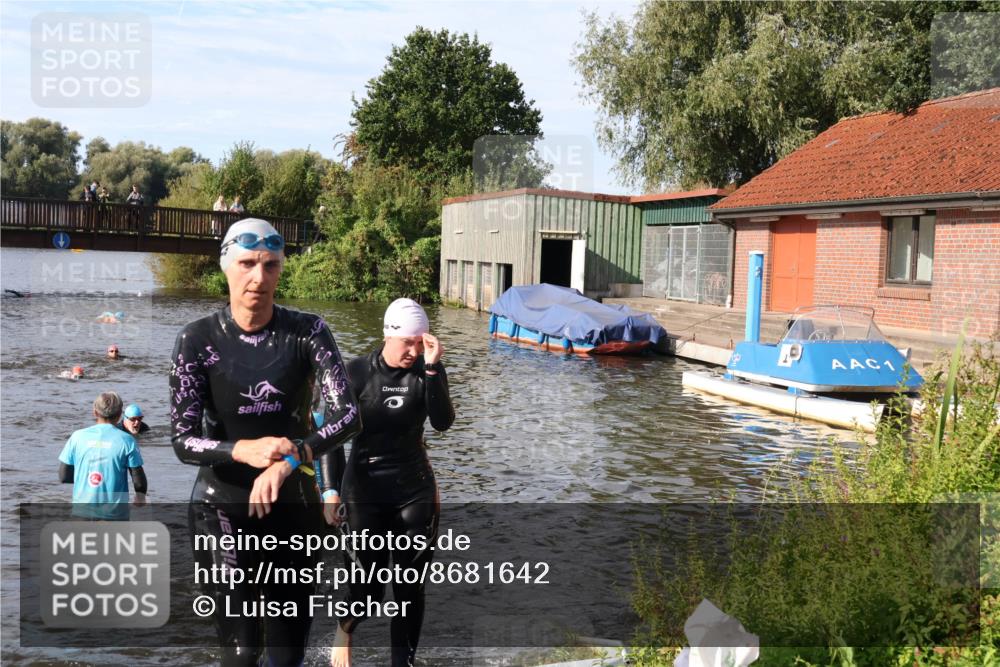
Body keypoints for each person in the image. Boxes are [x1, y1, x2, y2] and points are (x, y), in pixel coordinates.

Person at [169, 217, 361, 667]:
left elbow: (347, 416)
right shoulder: (196, 340)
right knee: (241, 652)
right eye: (248, 263)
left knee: (287, 653)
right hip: (221, 511)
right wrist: (242, 450)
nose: (259, 277)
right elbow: (182, 440)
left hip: (293, 510)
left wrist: (292, 457)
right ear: (226, 267)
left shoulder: (307, 332)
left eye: (271, 265)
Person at [321, 298, 455, 667]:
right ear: (387, 335)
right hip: (363, 487)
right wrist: (330, 491)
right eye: (407, 342)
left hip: (414, 486)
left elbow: (442, 422)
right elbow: (330, 437)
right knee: (368, 587)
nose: (413, 351)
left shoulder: (428, 369)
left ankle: (403, 663)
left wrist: (431, 370)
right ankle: (345, 630)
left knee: (410, 586)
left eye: (420, 342)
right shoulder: (355, 373)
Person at [58, 391, 147, 520]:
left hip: (81, 514)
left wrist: (87, 479)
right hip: (115, 515)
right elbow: (138, 477)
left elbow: (63, 476)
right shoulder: (127, 440)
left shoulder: (77, 437)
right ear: (119, 416)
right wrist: (140, 496)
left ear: (94, 412)